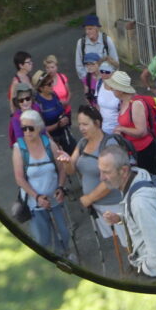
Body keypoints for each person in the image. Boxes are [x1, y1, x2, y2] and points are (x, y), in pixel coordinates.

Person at [55, 105, 128, 249]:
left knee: (127, 241)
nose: (81, 128)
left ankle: (140, 267)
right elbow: (71, 170)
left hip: (114, 203)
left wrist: (89, 198)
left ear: (97, 123)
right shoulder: (82, 143)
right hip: (98, 206)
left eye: (85, 124)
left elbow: (113, 179)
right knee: (117, 241)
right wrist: (66, 162)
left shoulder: (109, 144)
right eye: (79, 124)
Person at [99, 144, 156, 278]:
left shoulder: (140, 202)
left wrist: (144, 269)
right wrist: (121, 218)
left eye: (106, 172)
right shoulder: (135, 177)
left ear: (123, 171)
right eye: (100, 171)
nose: (101, 178)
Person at [12, 109, 72, 259]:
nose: (26, 131)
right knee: (42, 240)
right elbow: (19, 178)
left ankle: (62, 259)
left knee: (63, 234)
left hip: (54, 200)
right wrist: (37, 197)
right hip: (35, 205)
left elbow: (62, 169)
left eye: (30, 128)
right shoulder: (19, 149)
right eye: (23, 128)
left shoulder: (50, 145)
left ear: (39, 127)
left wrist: (60, 187)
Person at [105, 71, 156, 175]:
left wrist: (121, 129)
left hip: (144, 150)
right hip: (133, 150)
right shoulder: (123, 102)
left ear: (120, 90)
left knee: (149, 180)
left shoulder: (136, 104)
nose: (111, 89)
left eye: (113, 87)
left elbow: (141, 131)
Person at [32, 70, 74, 154]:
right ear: (41, 88)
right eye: (49, 84)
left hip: (65, 134)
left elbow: (60, 109)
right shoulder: (38, 104)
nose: (52, 85)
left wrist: (64, 117)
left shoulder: (53, 94)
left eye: (52, 82)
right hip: (52, 140)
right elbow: (41, 128)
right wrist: (57, 125)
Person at [75, 14, 118, 82]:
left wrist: (110, 79)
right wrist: (87, 81)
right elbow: (79, 65)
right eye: (86, 29)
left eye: (90, 29)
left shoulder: (107, 40)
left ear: (97, 28)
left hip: (106, 80)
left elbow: (115, 62)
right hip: (89, 80)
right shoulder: (81, 43)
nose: (87, 32)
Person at [95, 61, 120, 136]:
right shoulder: (99, 84)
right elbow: (98, 106)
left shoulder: (120, 87)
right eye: (102, 71)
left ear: (114, 73)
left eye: (107, 72)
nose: (104, 74)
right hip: (103, 129)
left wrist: (120, 129)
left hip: (118, 130)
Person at [8, 81, 35, 148]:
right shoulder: (16, 119)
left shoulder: (36, 108)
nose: (25, 102)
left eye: (27, 98)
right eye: (21, 100)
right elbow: (20, 139)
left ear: (31, 98)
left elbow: (43, 129)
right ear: (17, 102)